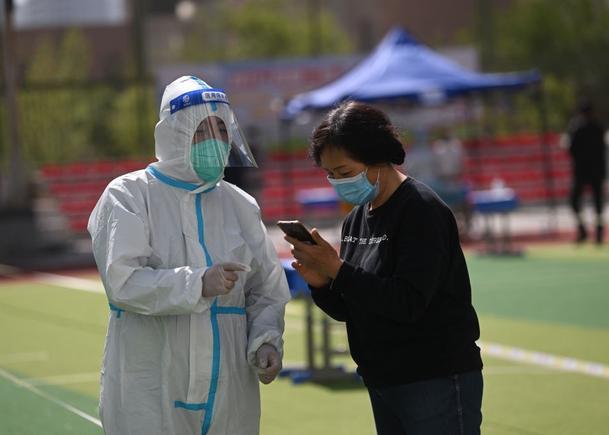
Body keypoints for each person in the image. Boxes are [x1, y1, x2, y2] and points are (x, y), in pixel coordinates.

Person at [88, 76, 290, 435]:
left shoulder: (240, 206)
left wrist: (266, 339)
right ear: (173, 135)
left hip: (230, 389)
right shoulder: (129, 196)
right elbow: (123, 283)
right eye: (202, 130)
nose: (215, 140)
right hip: (151, 384)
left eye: (221, 129)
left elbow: (266, 290)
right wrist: (197, 282)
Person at [285, 101, 483, 435]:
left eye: (345, 172)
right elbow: (356, 308)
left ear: (377, 159)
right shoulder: (356, 219)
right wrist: (322, 283)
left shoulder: (421, 210)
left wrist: (339, 270)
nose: (337, 182)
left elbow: (407, 302)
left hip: (434, 376)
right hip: (384, 379)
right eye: (330, 174)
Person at [567, 99, 608, 244]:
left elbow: (571, 150)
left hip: (583, 171)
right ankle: (595, 231)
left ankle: (587, 229)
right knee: (596, 202)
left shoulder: (577, 128)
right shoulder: (598, 127)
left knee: (576, 201)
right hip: (594, 171)